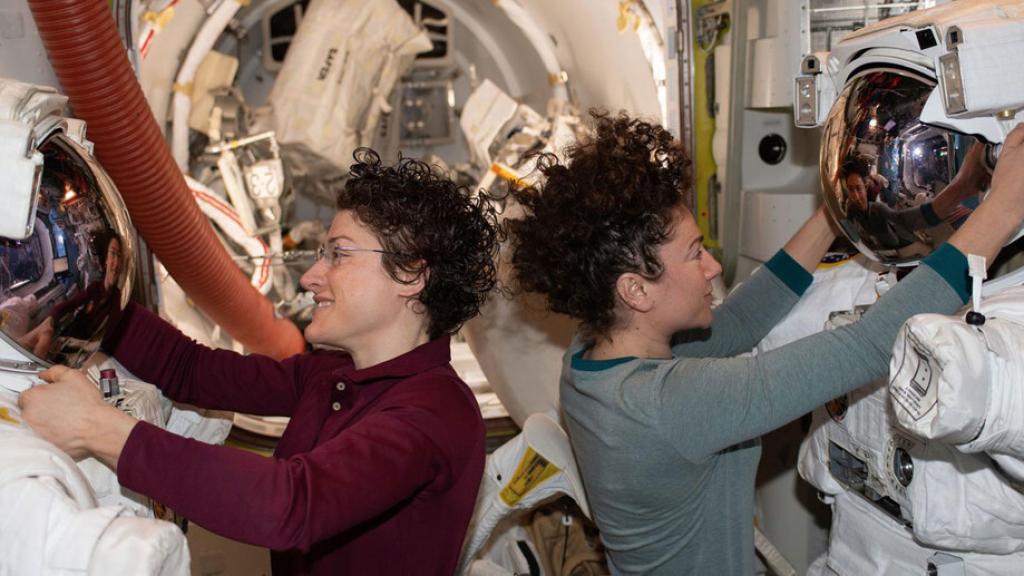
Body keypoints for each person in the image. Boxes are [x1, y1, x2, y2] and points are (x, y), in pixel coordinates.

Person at [506, 110, 1024, 575]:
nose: (712, 266)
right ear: (635, 290)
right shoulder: (671, 405)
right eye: (694, 254)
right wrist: (1004, 207)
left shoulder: (590, 354)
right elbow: (869, 346)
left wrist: (836, 211)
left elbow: (738, 323)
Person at [19, 148, 501, 575]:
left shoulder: (434, 414)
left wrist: (97, 429)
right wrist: (86, 295)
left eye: (338, 255)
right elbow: (192, 371)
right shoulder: (332, 374)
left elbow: (289, 505)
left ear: (411, 274)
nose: (311, 276)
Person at [841, 152, 981, 249]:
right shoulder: (851, 209)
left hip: (894, 243)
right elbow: (849, 229)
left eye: (858, 188)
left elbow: (901, 218)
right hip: (878, 245)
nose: (856, 196)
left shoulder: (877, 208)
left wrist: (939, 210)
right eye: (851, 189)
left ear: (865, 186)